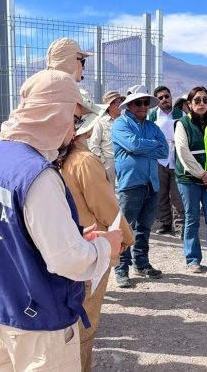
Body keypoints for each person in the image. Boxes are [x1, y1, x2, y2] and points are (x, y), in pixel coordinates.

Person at [0, 69, 122, 371]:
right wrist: (106, 246)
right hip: (39, 319)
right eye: (74, 119)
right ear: (57, 115)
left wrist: (74, 236)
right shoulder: (37, 175)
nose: (73, 130)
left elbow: (11, 232)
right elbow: (67, 261)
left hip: (1, 307)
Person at [58, 89, 134, 371]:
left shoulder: (56, 157)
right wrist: (125, 238)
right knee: (85, 321)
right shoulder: (84, 160)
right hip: (93, 245)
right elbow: (107, 208)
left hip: (70, 243)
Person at [112, 87, 169, 288]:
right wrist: (148, 145)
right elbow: (133, 145)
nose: (143, 107)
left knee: (144, 228)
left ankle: (141, 264)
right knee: (124, 229)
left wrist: (142, 146)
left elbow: (164, 150)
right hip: (130, 184)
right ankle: (121, 269)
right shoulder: (120, 124)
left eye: (146, 103)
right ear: (129, 105)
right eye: (139, 103)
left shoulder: (152, 126)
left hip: (151, 183)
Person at [175, 86, 207, 276]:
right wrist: (202, 175)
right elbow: (183, 152)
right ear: (189, 104)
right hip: (189, 179)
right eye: (197, 100)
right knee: (192, 219)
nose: (202, 103)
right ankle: (193, 259)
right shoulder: (182, 124)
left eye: (205, 100)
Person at [149, 85, 185, 237]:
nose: (165, 100)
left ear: (171, 97)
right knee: (161, 193)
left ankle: (180, 226)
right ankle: (165, 222)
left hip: (177, 157)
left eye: (167, 96)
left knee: (177, 194)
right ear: (157, 101)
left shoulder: (180, 114)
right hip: (159, 158)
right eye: (161, 98)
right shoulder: (152, 116)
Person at [89, 90, 124, 184]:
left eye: (121, 102)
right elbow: (94, 145)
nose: (120, 105)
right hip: (109, 162)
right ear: (109, 105)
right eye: (117, 102)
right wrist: (103, 162)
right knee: (109, 192)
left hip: (125, 161)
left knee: (125, 192)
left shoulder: (126, 121)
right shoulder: (101, 123)